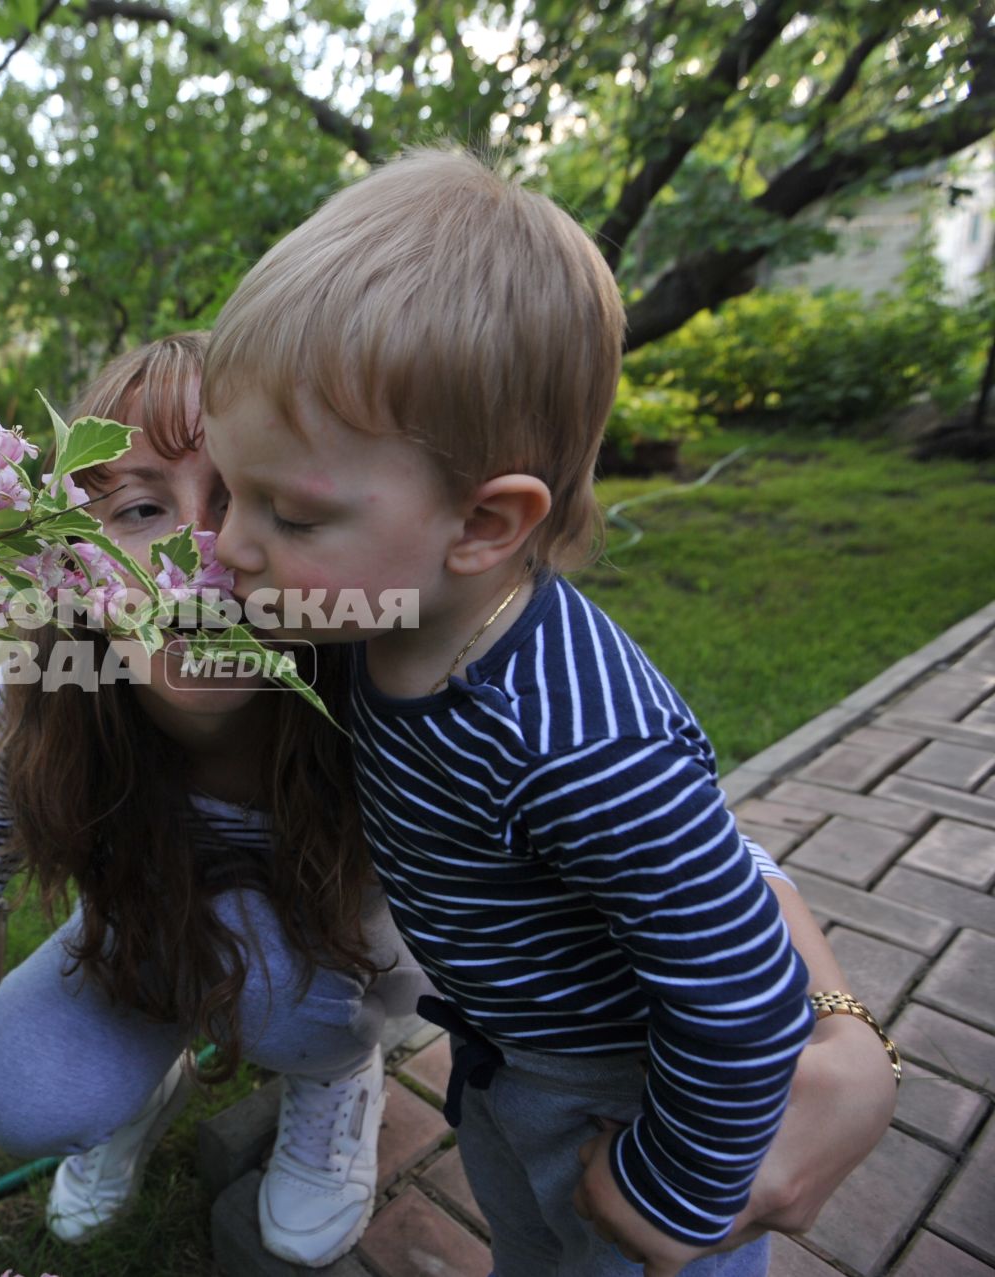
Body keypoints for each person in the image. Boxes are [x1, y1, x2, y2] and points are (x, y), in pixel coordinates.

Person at [0, 330, 894, 1272]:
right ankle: (142, 1062)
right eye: (143, 511)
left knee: (278, 982)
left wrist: (841, 1028)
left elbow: (672, 835)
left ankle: (331, 1077)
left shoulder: (393, 670)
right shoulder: (38, 699)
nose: (209, 557)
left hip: (339, 968)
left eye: (256, 499)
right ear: (67, 553)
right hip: (148, 925)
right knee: (22, 1084)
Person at [198, 149, 901, 1276]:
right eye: (231, 490)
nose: (231, 544)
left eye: (285, 510)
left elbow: (743, 996)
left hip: (628, 1101)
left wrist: (674, 1196)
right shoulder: (383, 617)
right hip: (507, 1061)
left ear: (483, 523)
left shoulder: (573, 738)